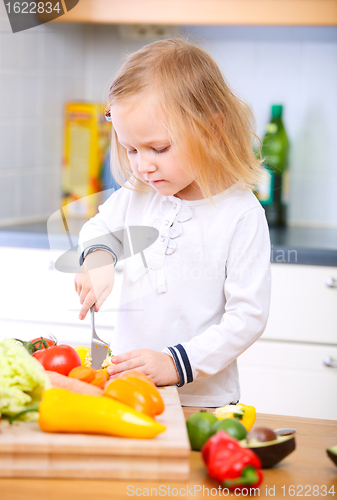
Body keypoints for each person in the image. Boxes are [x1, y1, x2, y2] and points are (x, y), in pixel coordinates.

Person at [74, 38, 271, 407]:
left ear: (212, 129)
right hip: (130, 390)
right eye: (131, 149)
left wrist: (174, 364)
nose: (143, 165)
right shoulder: (139, 193)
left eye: (159, 148)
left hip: (204, 402)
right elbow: (98, 230)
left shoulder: (240, 215)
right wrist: (98, 259)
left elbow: (248, 317)